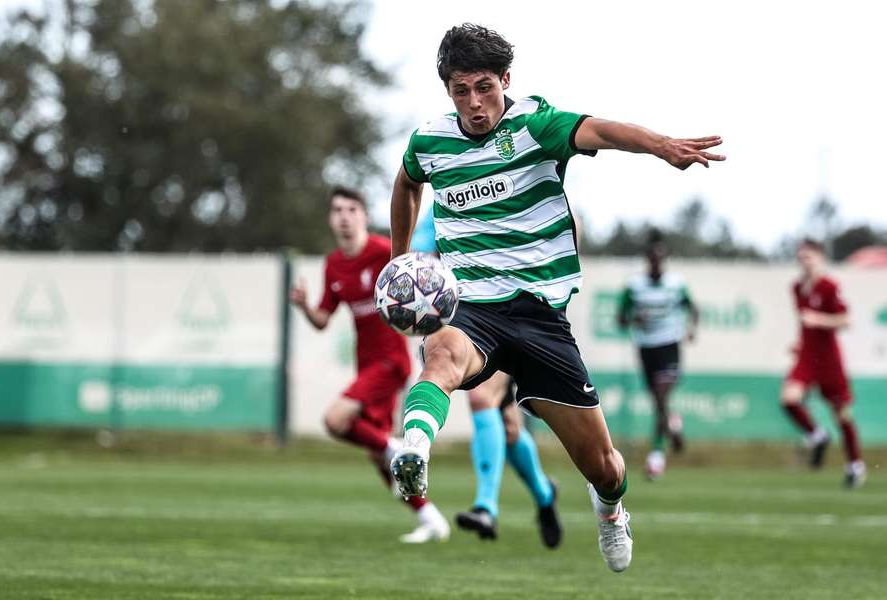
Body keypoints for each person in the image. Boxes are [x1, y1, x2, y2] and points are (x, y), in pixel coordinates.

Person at [388, 24, 725, 572]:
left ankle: (611, 509)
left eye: (484, 88)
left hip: (541, 318)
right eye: (460, 91)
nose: (474, 103)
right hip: (473, 305)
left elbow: (603, 130)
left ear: (506, 80)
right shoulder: (430, 141)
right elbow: (407, 181)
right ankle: (415, 446)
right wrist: (401, 255)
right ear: (447, 92)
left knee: (605, 466)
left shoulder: (535, 125)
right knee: (441, 354)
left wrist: (662, 147)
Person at [290, 187, 450, 543]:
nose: (344, 216)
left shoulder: (383, 252)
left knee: (335, 420)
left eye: (351, 209)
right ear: (331, 218)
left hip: (390, 361)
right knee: (377, 457)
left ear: (364, 215)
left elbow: (419, 279)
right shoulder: (333, 263)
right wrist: (303, 306)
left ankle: (394, 447)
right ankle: (431, 518)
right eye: (337, 210)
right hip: (365, 365)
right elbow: (323, 319)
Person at [411, 208, 563, 547]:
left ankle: (486, 508)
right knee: (509, 428)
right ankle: (544, 494)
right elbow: (419, 258)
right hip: (467, 324)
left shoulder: (513, 188)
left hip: (513, 316)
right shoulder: (440, 206)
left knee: (483, 399)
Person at [781, 238, 865, 488]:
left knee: (842, 416)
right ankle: (818, 436)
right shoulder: (796, 288)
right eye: (800, 257)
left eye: (808, 257)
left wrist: (819, 320)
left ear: (820, 258)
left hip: (829, 359)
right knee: (789, 399)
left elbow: (845, 320)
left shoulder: (829, 286)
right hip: (807, 356)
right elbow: (804, 324)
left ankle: (855, 465)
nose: (804, 262)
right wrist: (799, 345)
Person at [617, 231, 698, 480]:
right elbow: (620, 320)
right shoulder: (634, 287)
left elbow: (692, 307)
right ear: (647, 259)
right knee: (658, 402)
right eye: (653, 257)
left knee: (662, 394)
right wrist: (633, 319)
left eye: (660, 258)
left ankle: (656, 457)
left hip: (669, 344)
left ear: (666, 259)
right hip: (646, 348)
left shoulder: (676, 283)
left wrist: (692, 328)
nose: (656, 262)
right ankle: (671, 425)